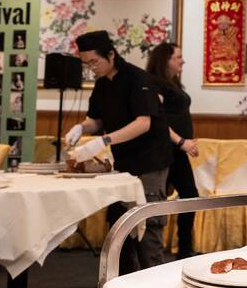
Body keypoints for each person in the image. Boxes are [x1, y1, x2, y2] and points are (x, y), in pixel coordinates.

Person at [65, 30, 173, 274]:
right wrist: (81, 127)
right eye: (87, 64)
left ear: (111, 54)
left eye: (95, 61)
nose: (92, 68)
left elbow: (143, 122)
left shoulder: (137, 78)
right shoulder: (102, 84)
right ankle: (122, 287)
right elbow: (96, 119)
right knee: (120, 228)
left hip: (149, 161)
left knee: (147, 226)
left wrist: (103, 140)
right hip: (122, 163)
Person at [147, 41, 200, 259]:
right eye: (178, 57)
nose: (182, 61)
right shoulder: (155, 83)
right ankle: (157, 252)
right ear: (165, 60)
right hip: (164, 151)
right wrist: (181, 142)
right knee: (162, 201)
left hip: (177, 151)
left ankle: (184, 250)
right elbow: (156, 118)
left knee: (190, 197)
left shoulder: (172, 83)